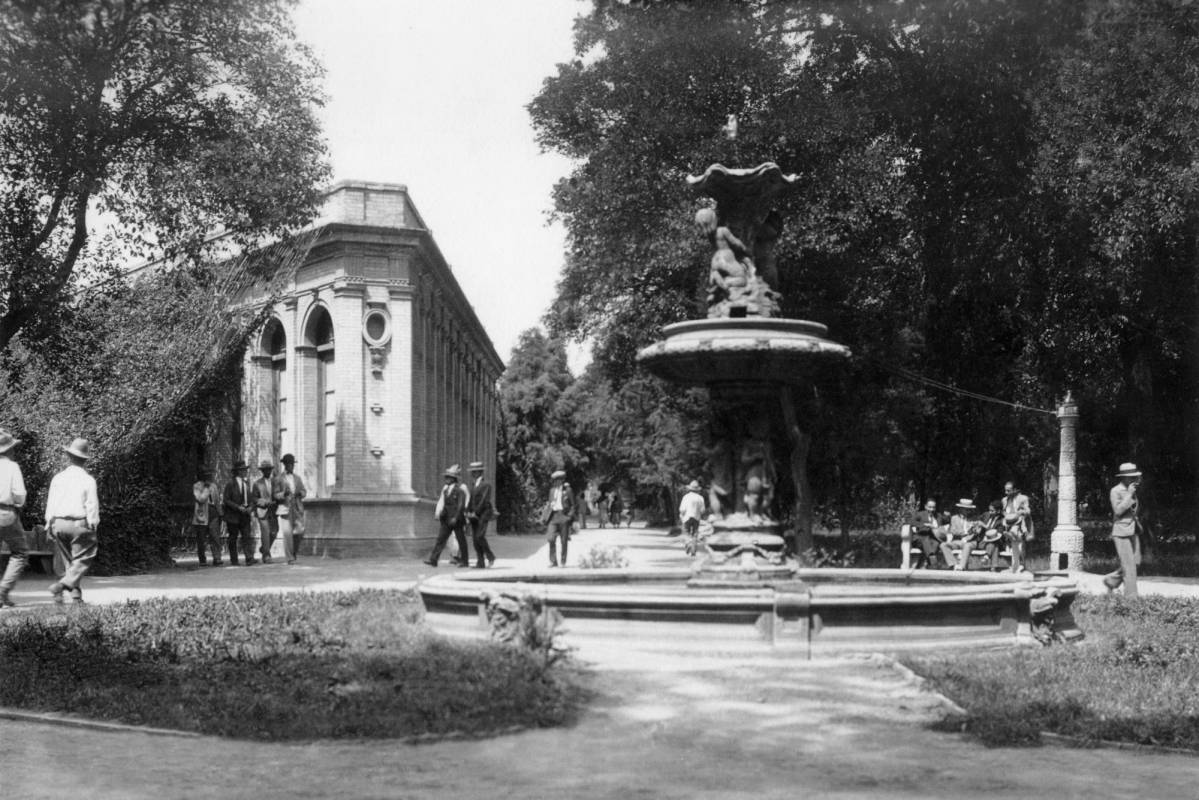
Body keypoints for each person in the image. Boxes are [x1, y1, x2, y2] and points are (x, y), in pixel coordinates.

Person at [45, 438, 100, 604]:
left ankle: (75, 596)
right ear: (85, 460)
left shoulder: (58, 478)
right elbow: (91, 505)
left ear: (69, 457)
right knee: (87, 554)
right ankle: (62, 585)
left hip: (58, 523)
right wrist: (93, 523)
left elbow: (51, 502)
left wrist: (49, 523)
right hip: (78, 523)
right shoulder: (88, 480)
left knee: (68, 561)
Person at [1104, 462, 1142, 598]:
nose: (1134, 480)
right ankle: (1131, 599)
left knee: (1136, 562)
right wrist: (1129, 495)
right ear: (1123, 477)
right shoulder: (1116, 491)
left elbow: (1133, 511)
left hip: (1133, 530)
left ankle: (1111, 580)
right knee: (1129, 566)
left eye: (1135, 477)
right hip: (1121, 531)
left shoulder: (1131, 490)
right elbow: (1118, 511)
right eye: (1131, 477)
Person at [0, 430, 27, 608]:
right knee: (20, 552)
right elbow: (19, 494)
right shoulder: (12, 466)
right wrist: (18, 504)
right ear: (8, 449)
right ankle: (3, 590)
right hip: (5, 513)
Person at [424, 464, 469, 567]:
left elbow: (460, 506)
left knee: (461, 540)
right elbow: (445, 504)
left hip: (456, 520)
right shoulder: (445, 490)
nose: (446, 479)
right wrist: (441, 514)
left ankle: (464, 561)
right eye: (446, 477)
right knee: (440, 539)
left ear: (454, 479)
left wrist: (456, 517)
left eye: (448, 477)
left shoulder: (459, 491)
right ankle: (433, 559)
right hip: (446, 520)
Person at [273, 453, 307, 564]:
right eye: (288, 464)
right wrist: (284, 494)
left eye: (292, 464)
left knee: (300, 531)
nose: (291, 466)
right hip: (285, 508)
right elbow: (275, 495)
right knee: (287, 534)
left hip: (297, 508)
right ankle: (290, 558)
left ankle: (293, 553)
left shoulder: (297, 478)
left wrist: (300, 493)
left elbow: (304, 491)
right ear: (285, 465)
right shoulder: (278, 478)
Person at [222, 460, 256, 566]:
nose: (245, 472)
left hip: (245, 515)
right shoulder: (230, 484)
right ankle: (234, 560)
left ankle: (249, 558)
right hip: (233, 515)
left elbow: (251, 499)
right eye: (243, 470)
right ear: (238, 472)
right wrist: (237, 507)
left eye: (245, 470)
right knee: (233, 537)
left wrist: (251, 507)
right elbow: (226, 500)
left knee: (247, 536)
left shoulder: (246, 484)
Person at [466, 461, 496, 569]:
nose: (472, 474)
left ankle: (490, 556)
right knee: (475, 539)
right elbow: (471, 500)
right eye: (472, 472)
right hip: (474, 515)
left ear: (480, 472)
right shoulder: (473, 485)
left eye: (474, 472)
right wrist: (468, 511)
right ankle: (480, 562)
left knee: (479, 536)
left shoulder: (486, 485)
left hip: (483, 514)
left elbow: (484, 500)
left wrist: (476, 512)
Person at [908, 498, 953, 568]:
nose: (931, 509)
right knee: (925, 540)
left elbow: (947, 520)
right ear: (925, 506)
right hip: (920, 538)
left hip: (933, 539)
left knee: (936, 543)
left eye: (933, 507)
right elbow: (910, 521)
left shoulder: (938, 516)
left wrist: (947, 514)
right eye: (930, 507)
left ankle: (925, 563)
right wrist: (924, 524)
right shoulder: (920, 514)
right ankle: (932, 561)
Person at [543, 470, 575, 567]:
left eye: (558, 480)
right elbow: (549, 504)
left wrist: (569, 517)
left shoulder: (568, 490)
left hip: (563, 516)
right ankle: (553, 561)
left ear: (562, 480)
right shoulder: (551, 491)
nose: (556, 482)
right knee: (551, 538)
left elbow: (573, 505)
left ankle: (563, 561)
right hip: (553, 516)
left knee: (564, 540)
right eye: (555, 480)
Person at [192, 467, 222, 566]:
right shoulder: (197, 486)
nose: (208, 476)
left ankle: (217, 558)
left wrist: (220, 513)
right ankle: (202, 560)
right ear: (201, 476)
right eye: (205, 475)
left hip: (213, 512)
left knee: (215, 536)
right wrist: (206, 489)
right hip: (201, 515)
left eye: (209, 474)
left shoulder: (213, 486)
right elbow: (200, 499)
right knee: (201, 538)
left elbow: (217, 501)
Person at [1002, 481, 1034, 573]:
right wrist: (1007, 516)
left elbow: (1028, 511)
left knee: (1020, 546)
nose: (1006, 493)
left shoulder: (1023, 498)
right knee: (1014, 546)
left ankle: (1021, 565)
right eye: (1005, 490)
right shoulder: (1004, 500)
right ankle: (1016, 566)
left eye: (1008, 491)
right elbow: (1003, 511)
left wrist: (1021, 512)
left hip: (1020, 523)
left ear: (1015, 490)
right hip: (1009, 523)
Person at [252, 459, 278, 563]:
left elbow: (277, 494)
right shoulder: (257, 484)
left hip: (273, 511)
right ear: (262, 471)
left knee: (274, 532)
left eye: (269, 469)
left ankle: (264, 548)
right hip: (262, 512)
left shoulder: (275, 482)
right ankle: (266, 556)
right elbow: (254, 498)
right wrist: (264, 502)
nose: (268, 471)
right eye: (266, 470)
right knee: (265, 532)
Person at [947, 499, 984, 571]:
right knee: (943, 545)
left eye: (970, 509)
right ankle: (953, 564)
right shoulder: (954, 518)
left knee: (967, 545)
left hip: (971, 542)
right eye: (966, 510)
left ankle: (961, 566)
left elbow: (977, 532)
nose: (969, 511)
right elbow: (953, 531)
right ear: (961, 509)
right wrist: (966, 532)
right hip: (958, 541)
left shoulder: (975, 519)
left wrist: (968, 537)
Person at [679, 479, 706, 556]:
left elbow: (682, 509)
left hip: (686, 517)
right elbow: (702, 510)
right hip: (696, 518)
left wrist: (682, 515)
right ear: (697, 490)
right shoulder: (700, 498)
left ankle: (689, 544)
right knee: (695, 533)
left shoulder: (686, 497)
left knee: (686, 532)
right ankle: (693, 549)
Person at [980, 500, 1007, 571]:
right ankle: (993, 567)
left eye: (992, 511)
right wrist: (978, 524)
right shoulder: (986, 515)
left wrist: (985, 526)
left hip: (997, 541)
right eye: (989, 510)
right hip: (984, 542)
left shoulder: (1001, 520)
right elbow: (978, 520)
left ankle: (986, 556)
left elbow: (998, 533)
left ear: (998, 511)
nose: (990, 512)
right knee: (995, 546)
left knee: (994, 542)